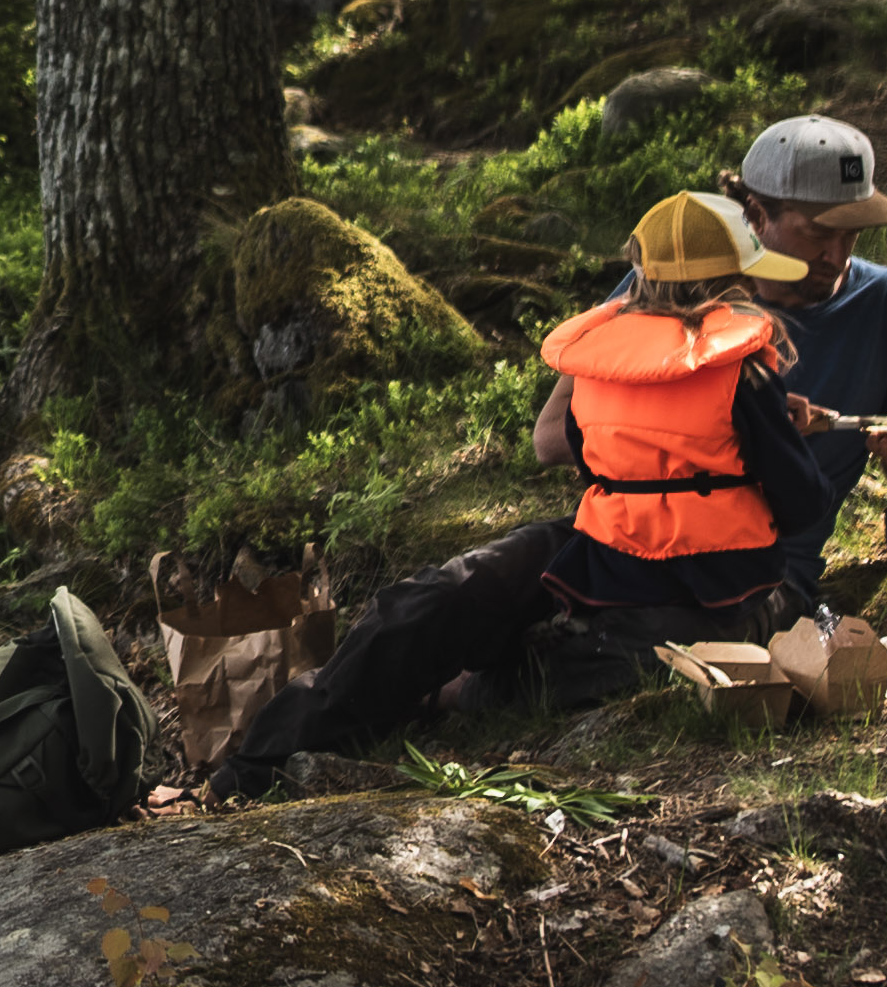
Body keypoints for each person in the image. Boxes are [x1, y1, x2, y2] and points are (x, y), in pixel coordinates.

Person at [209, 192, 853, 784]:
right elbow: (802, 507)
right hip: (707, 581)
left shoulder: (602, 361)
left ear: (643, 277)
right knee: (612, 654)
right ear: (731, 286)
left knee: (435, 598)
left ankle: (259, 760)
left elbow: (602, 456)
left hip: (612, 560)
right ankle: (455, 692)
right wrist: (775, 436)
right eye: (747, 278)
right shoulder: (746, 372)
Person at [732, 112, 887, 503]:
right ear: (756, 215)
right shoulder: (682, 286)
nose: (837, 256)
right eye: (818, 233)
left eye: (852, 234)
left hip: (791, 540)